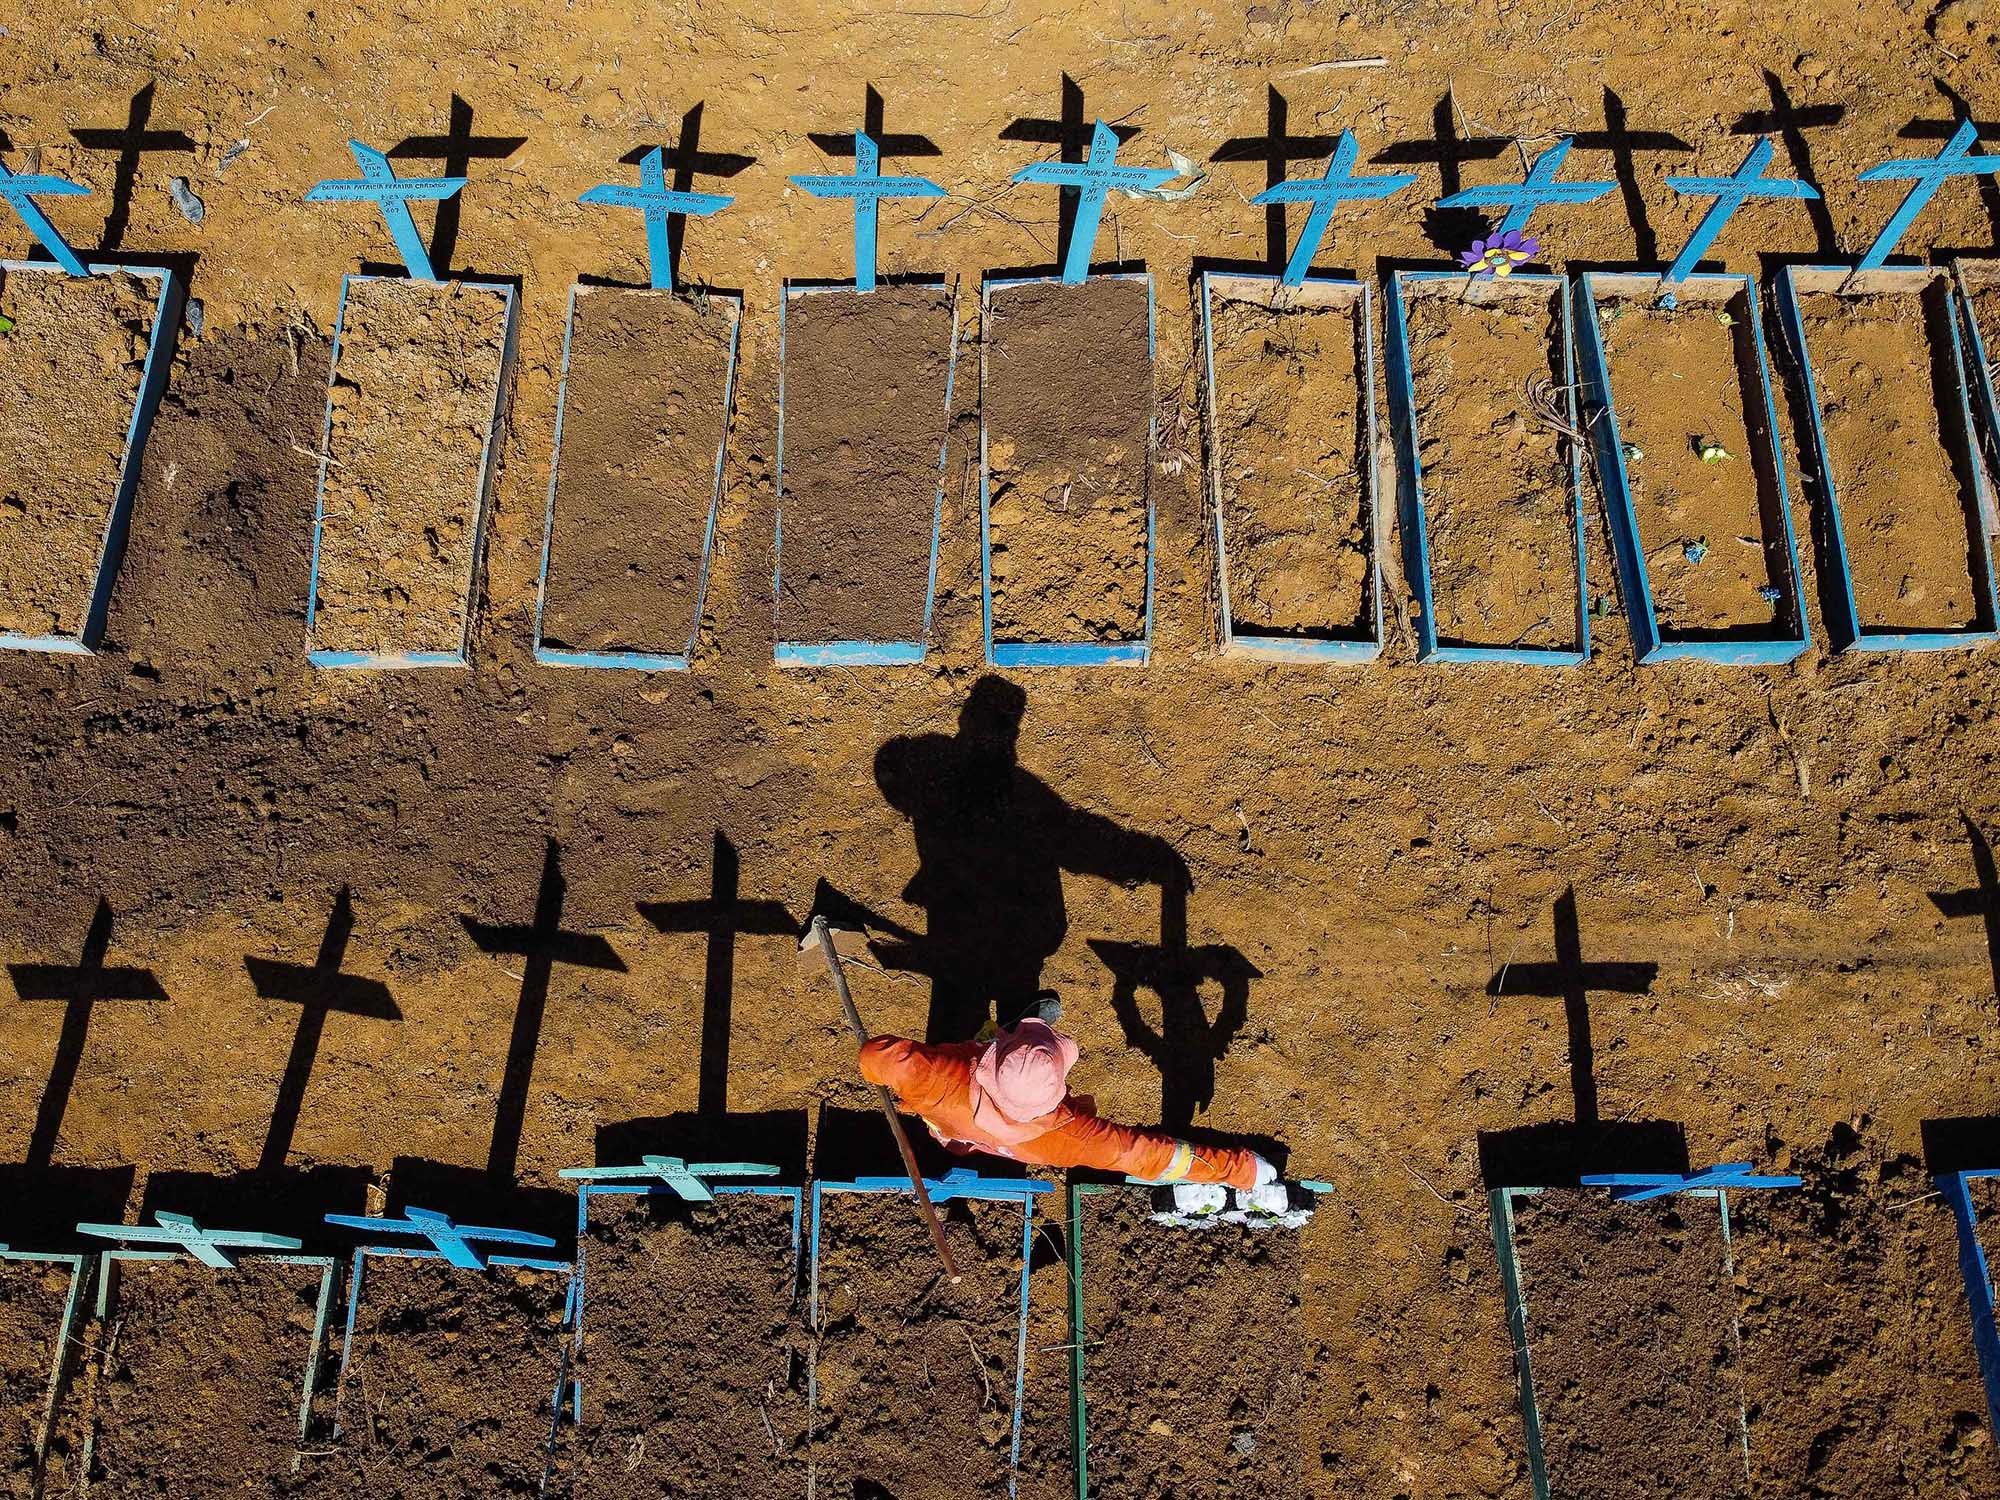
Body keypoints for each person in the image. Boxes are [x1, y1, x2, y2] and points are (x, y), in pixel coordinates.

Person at [857, 1017, 1276, 1189]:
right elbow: (1151, 1156)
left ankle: (1000, 1031)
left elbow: (876, 1056)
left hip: (955, 1133)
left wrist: (881, 1073)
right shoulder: (1070, 1137)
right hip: (1019, 1147)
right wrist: (1241, 1170)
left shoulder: (942, 1078)